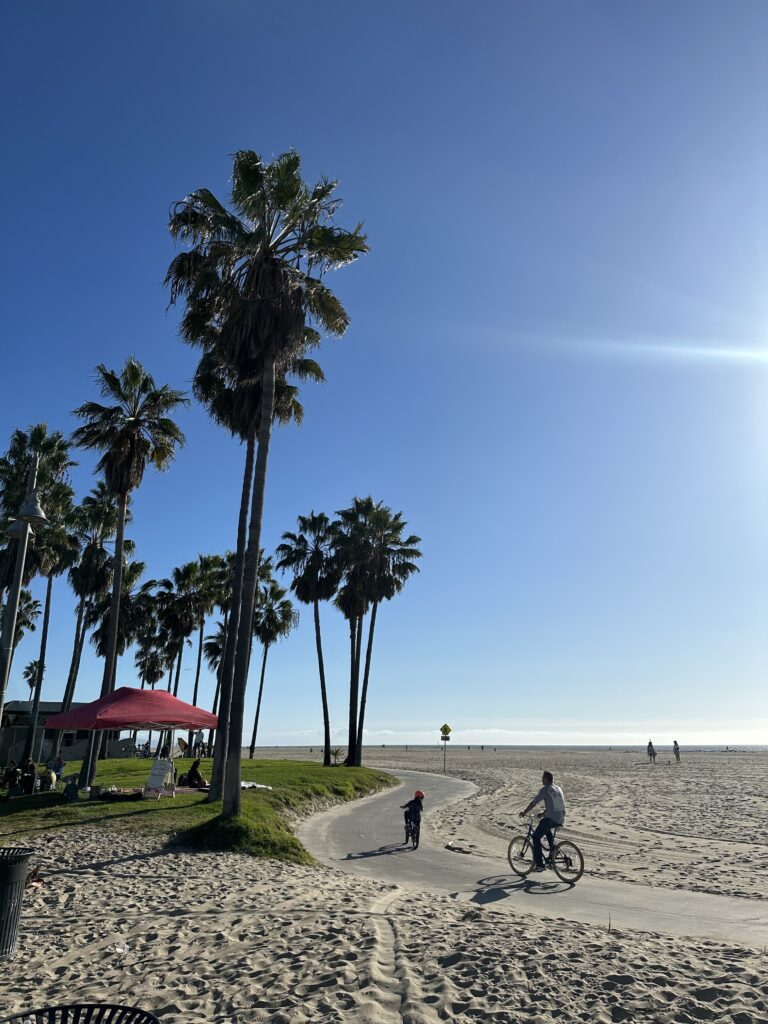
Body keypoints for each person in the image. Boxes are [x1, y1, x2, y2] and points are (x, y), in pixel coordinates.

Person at [519, 770, 566, 872]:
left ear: (546, 779)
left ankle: (540, 865)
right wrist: (542, 814)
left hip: (552, 819)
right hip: (561, 817)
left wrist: (525, 812)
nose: (541, 779)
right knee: (545, 826)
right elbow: (555, 807)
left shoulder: (545, 789)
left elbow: (534, 802)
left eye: (542, 778)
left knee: (535, 837)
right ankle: (553, 850)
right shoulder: (557, 788)